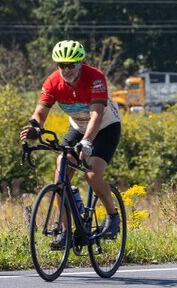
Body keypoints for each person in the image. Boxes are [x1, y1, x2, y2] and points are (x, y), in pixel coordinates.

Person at [20, 39, 122, 249]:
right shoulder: (52, 82)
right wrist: (34, 127)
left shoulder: (95, 78)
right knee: (60, 177)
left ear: (80, 63)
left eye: (71, 65)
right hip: (77, 127)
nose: (66, 69)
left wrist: (87, 141)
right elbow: (40, 112)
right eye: (61, 65)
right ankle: (65, 232)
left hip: (105, 128)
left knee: (92, 174)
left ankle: (113, 217)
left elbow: (96, 115)